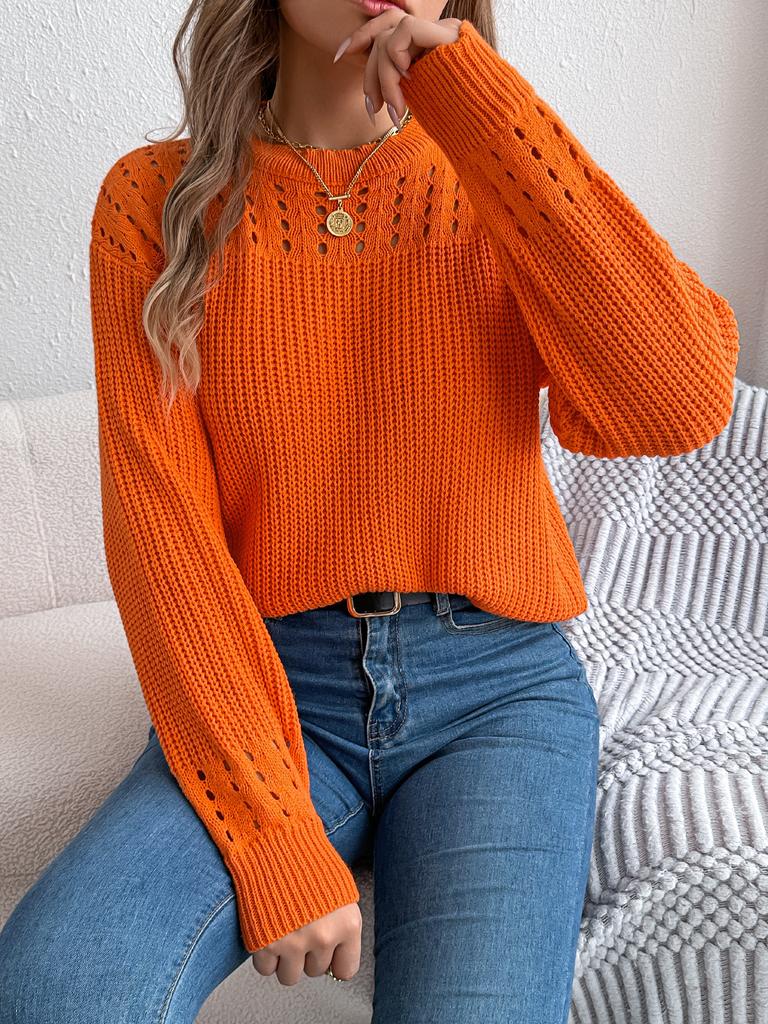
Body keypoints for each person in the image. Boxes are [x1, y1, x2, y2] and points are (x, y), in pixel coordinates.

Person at [0, 1, 739, 1021]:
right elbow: (162, 538)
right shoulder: (154, 202)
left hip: (498, 691)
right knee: (52, 989)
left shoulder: (494, 171)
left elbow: (681, 400)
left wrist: (477, 105)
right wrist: (273, 837)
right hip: (275, 687)